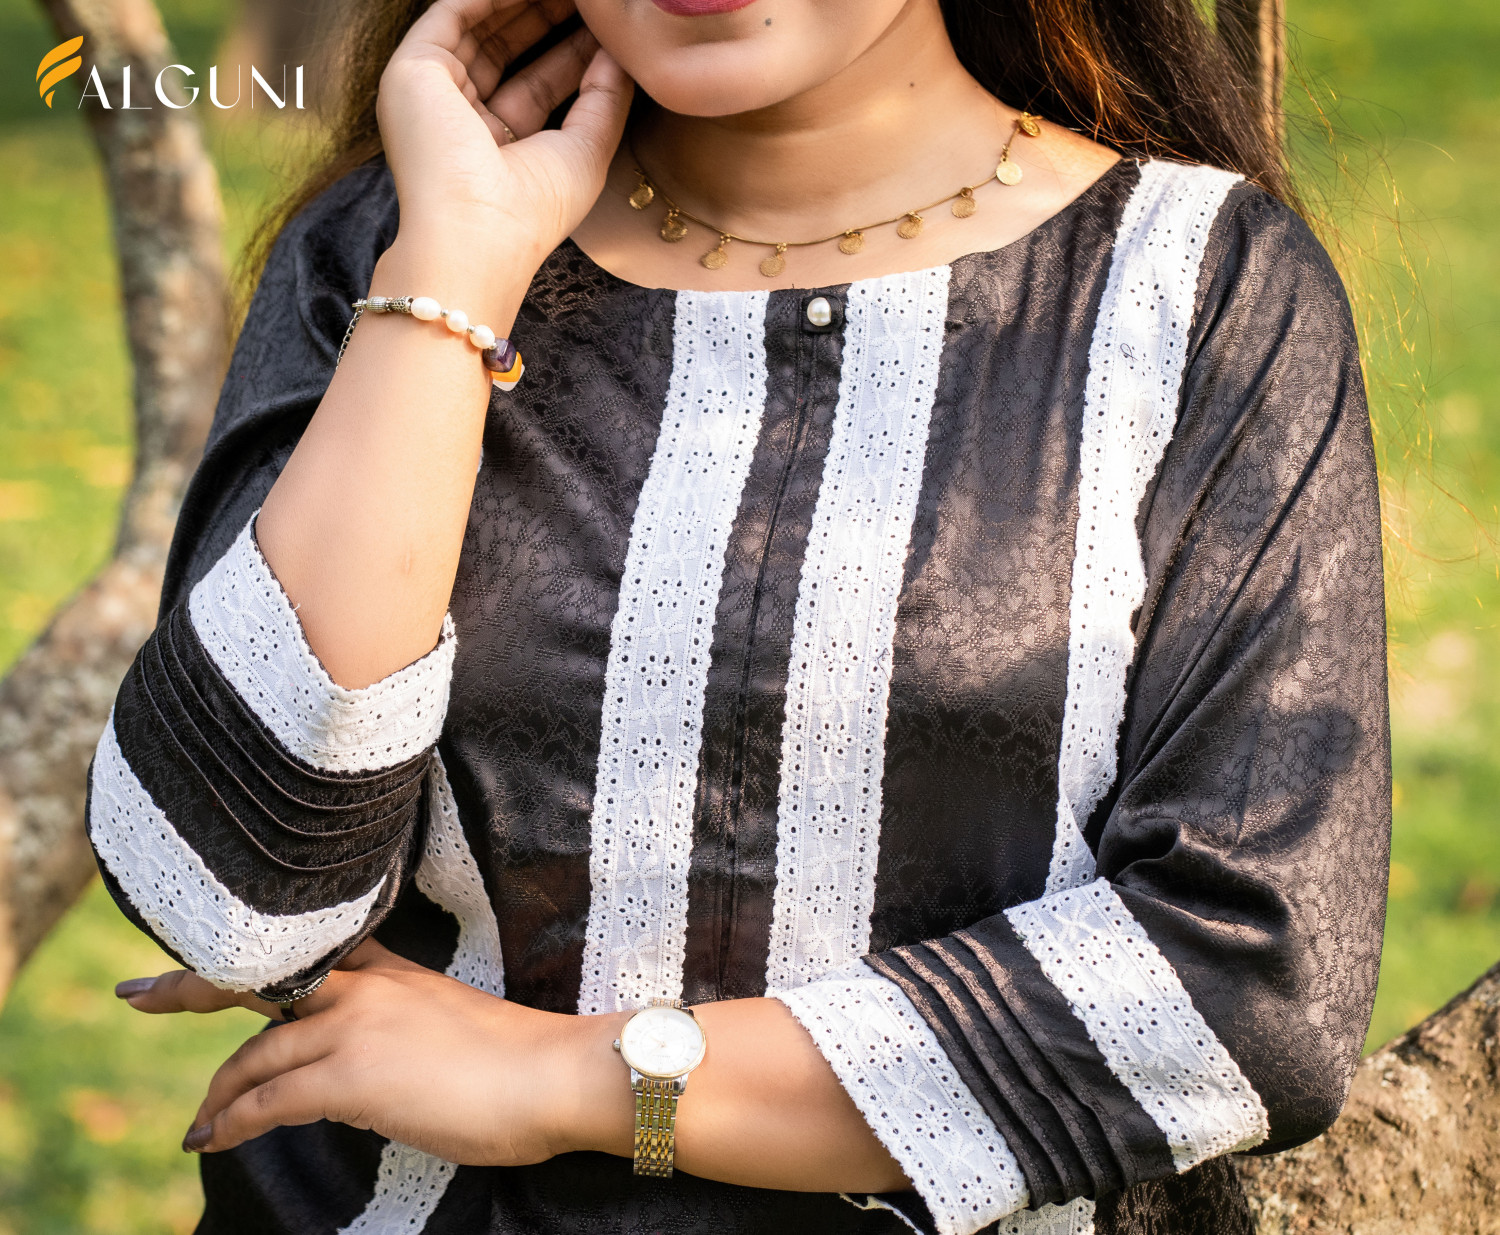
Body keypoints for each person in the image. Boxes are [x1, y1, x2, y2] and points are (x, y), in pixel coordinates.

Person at [88, 0, 1391, 1231]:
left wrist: (576, 1080)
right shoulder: (400, 234)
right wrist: (454, 271)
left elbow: (1245, 985)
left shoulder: (1198, 291)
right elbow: (229, 894)